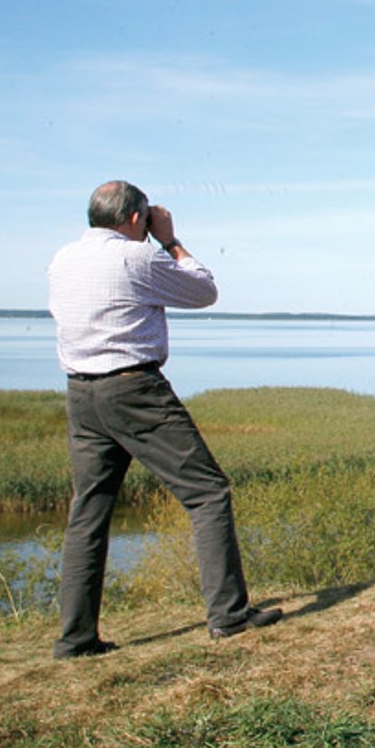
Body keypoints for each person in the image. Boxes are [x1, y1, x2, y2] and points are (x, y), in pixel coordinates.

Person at [46, 180, 281, 658]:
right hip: (133, 389)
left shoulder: (63, 259)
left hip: (80, 392)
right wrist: (170, 241)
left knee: (88, 511)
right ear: (136, 219)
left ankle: (75, 638)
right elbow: (204, 292)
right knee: (208, 492)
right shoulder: (137, 257)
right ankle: (230, 615)